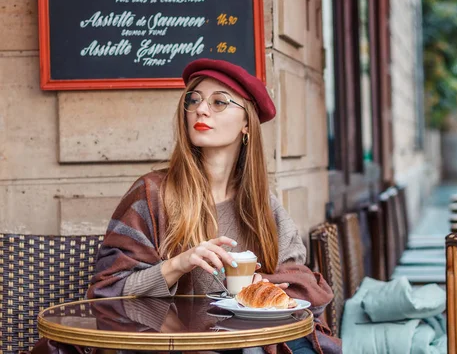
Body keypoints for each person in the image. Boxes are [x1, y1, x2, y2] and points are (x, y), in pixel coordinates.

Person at [80, 59, 340, 354]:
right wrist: (178, 264)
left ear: (246, 125)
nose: (201, 110)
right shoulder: (151, 193)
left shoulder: (262, 206)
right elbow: (107, 292)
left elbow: (303, 287)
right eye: (194, 100)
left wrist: (261, 286)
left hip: (245, 345)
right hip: (172, 347)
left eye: (219, 102)